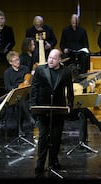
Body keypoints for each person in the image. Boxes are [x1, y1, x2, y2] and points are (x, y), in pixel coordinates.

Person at [31, 49, 72, 177]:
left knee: (56, 138)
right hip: (43, 108)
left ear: (60, 60)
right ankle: (40, 165)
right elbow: (34, 88)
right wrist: (32, 105)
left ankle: (53, 161)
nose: (50, 60)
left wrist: (70, 105)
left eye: (54, 58)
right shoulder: (40, 70)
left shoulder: (65, 71)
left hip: (58, 108)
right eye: (49, 58)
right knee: (43, 138)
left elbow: (70, 90)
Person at [3, 51, 35, 135]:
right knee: (20, 100)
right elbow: (7, 87)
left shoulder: (25, 69)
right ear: (10, 62)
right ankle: (29, 118)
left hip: (25, 92)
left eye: (18, 59)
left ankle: (20, 129)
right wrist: (17, 89)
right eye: (15, 60)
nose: (18, 61)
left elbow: (29, 80)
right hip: (14, 94)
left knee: (23, 99)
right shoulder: (7, 73)